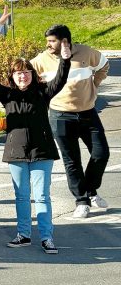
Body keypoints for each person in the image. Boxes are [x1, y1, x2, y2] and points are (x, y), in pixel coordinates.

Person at [0, 22, 73, 254]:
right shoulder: (7, 95)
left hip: (42, 151)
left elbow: (60, 79)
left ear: (32, 74)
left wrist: (65, 59)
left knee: (42, 196)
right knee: (21, 197)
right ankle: (23, 234)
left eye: (26, 72)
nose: (22, 76)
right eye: (18, 72)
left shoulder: (43, 93)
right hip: (16, 152)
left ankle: (47, 237)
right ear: (12, 76)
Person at [31, 24, 111, 219]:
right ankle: (81, 200)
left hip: (88, 113)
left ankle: (91, 191)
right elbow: (26, 78)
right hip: (60, 116)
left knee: (101, 153)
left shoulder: (86, 52)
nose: (48, 45)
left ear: (64, 41)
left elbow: (104, 65)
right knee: (72, 160)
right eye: (47, 41)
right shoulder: (42, 60)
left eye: (52, 41)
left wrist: (94, 85)